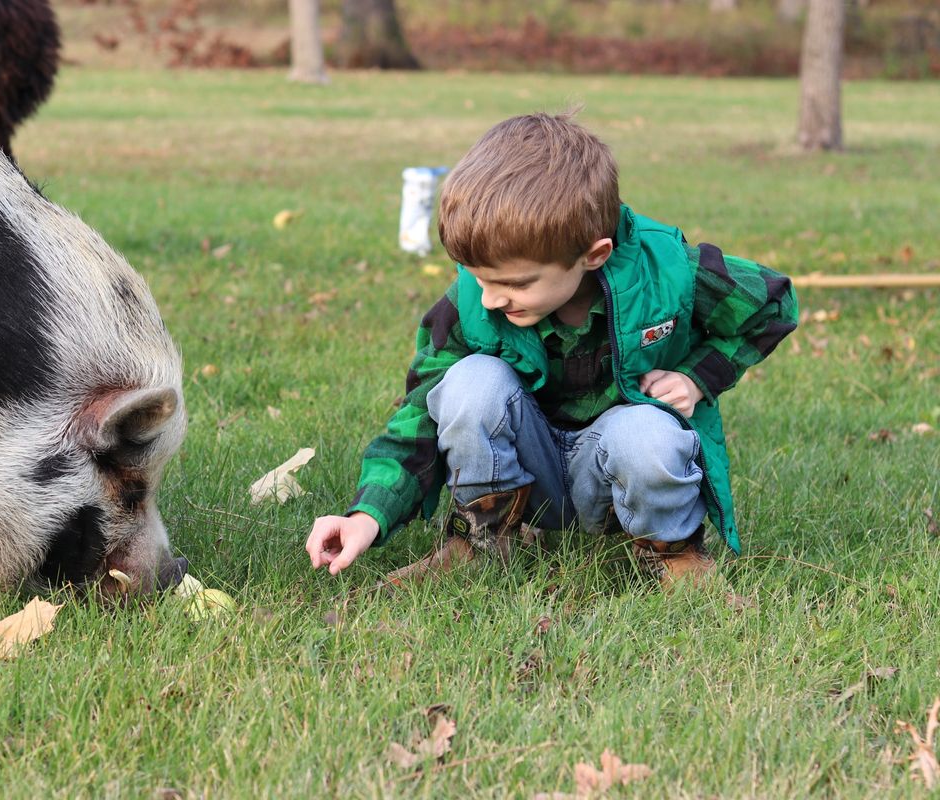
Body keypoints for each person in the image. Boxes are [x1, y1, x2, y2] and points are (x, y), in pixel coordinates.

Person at [305, 111, 799, 587]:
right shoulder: (473, 304)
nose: (491, 298)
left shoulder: (668, 273)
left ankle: (676, 558)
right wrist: (368, 515)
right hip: (523, 462)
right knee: (471, 383)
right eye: (477, 277)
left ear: (594, 254)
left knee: (649, 433)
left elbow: (773, 304)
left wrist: (697, 376)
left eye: (515, 283)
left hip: (614, 474)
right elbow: (419, 415)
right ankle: (481, 543)